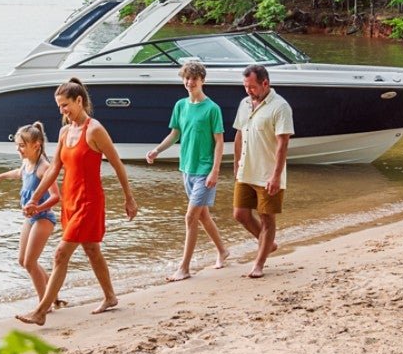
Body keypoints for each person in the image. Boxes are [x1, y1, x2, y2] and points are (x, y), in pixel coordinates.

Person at [15, 78, 138, 325]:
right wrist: (35, 199)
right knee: (92, 250)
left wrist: (129, 197)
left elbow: (117, 163)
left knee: (60, 254)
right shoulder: (64, 132)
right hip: (70, 201)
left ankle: (41, 312)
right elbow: (53, 170)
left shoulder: (95, 130)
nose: (62, 110)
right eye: (59, 106)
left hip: (89, 201)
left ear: (79, 101)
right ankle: (110, 296)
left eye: (65, 105)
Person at [146, 60, 228, 281]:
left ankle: (184, 268)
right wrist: (157, 150)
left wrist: (215, 171)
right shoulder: (180, 105)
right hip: (187, 169)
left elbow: (219, 142)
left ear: (202, 80)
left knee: (190, 217)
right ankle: (222, 251)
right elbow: (175, 134)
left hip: (205, 170)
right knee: (202, 217)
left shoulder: (212, 109)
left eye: (194, 78)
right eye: (187, 78)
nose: (190, 82)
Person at [0, 122, 65, 309]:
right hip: (30, 218)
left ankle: (43, 306)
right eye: (17, 145)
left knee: (31, 263)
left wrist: (38, 209)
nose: (18, 149)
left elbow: (56, 197)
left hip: (44, 217)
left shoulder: (44, 167)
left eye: (22, 146)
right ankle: (52, 296)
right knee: (23, 261)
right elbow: (19, 173)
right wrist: (1, 175)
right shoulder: (27, 162)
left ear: (36, 145)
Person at [232, 63, 294, 278]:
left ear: (265, 83)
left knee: (267, 218)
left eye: (252, 86)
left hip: (268, 174)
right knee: (240, 214)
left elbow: (282, 143)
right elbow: (239, 135)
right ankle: (268, 244)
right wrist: (236, 163)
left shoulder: (280, 107)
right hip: (246, 170)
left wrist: (276, 176)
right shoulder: (244, 104)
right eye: (245, 86)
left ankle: (259, 263)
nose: (248, 90)